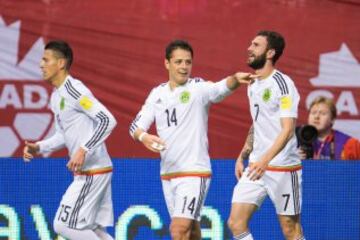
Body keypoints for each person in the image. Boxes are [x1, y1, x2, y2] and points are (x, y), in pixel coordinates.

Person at [129, 39, 255, 240]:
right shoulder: (157, 94)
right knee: (191, 231)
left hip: (194, 172)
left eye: (188, 62)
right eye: (178, 62)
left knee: (178, 230)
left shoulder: (198, 88)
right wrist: (143, 137)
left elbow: (219, 89)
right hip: (168, 174)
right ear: (167, 63)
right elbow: (135, 126)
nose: (184, 67)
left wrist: (235, 79)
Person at [23, 40, 117, 240]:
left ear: (61, 63)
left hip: (94, 171)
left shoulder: (75, 90)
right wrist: (38, 147)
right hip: (89, 172)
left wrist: (83, 149)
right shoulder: (56, 97)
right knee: (94, 230)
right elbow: (62, 135)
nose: (41, 64)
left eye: (45, 59)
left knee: (63, 225)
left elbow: (107, 120)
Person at [228, 31, 306, 240]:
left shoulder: (283, 84)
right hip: (256, 166)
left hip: (283, 167)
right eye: (250, 44)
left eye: (256, 45)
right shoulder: (252, 84)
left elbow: (288, 129)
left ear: (270, 52)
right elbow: (258, 122)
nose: (249, 48)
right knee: (236, 223)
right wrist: (243, 154)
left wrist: (266, 159)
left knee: (290, 229)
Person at [300, 96, 360, 160]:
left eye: (323, 113)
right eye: (313, 113)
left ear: (332, 119)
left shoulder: (350, 144)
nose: (316, 117)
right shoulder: (295, 140)